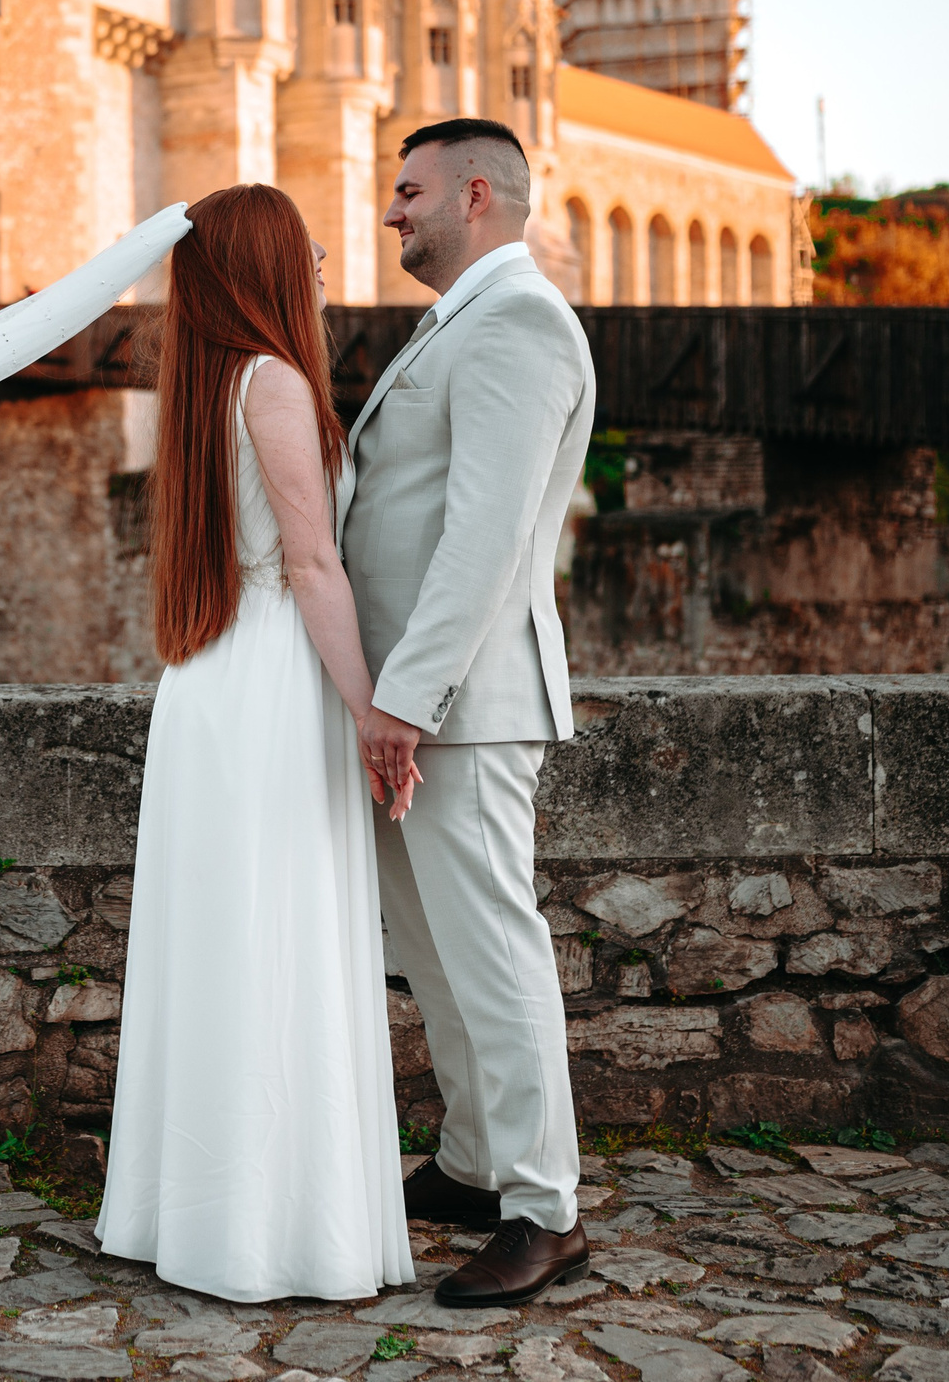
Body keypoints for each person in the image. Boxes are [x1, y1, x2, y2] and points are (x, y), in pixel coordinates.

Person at [96, 184, 414, 1303]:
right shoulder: (274, 381)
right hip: (274, 681)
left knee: (225, 943)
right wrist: (374, 710)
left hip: (214, 679)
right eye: (302, 244)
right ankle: (275, 1225)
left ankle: (201, 1212)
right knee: (278, 933)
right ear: (261, 266)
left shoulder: (208, 384)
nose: (322, 258)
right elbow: (314, 565)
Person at [344, 118, 597, 1307]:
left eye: (409, 190)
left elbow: (485, 535)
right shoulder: (462, 319)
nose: (392, 211)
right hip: (414, 702)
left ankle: (545, 1209)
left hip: (463, 702)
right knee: (433, 948)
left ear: (476, 194)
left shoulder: (518, 322)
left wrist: (405, 697)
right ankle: (472, 1157)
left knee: (492, 948)